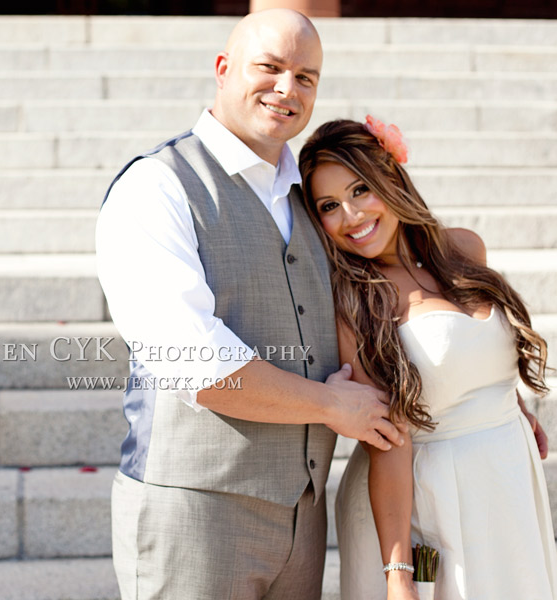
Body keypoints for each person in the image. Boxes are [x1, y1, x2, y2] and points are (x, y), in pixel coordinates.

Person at [95, 10, 406, 600]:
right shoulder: (157, 186)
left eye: (306, 77)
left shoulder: (315, 197)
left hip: (301, 517)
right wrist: (332, 406)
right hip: (194, 511)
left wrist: (494, 390)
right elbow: (194, 364)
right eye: (269, 67)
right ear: (223, 68)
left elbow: (404, 295)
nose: (287, 89)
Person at [299, 117, 557, 600]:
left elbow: (471, 354)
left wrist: (512, 407)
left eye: (360, 190)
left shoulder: (464, 247)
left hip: (504, 476)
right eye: (329, 206)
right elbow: (388, 440)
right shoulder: (355, 300)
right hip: (424, 500)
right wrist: (398, 573)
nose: (352, 215)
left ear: (391, 177)